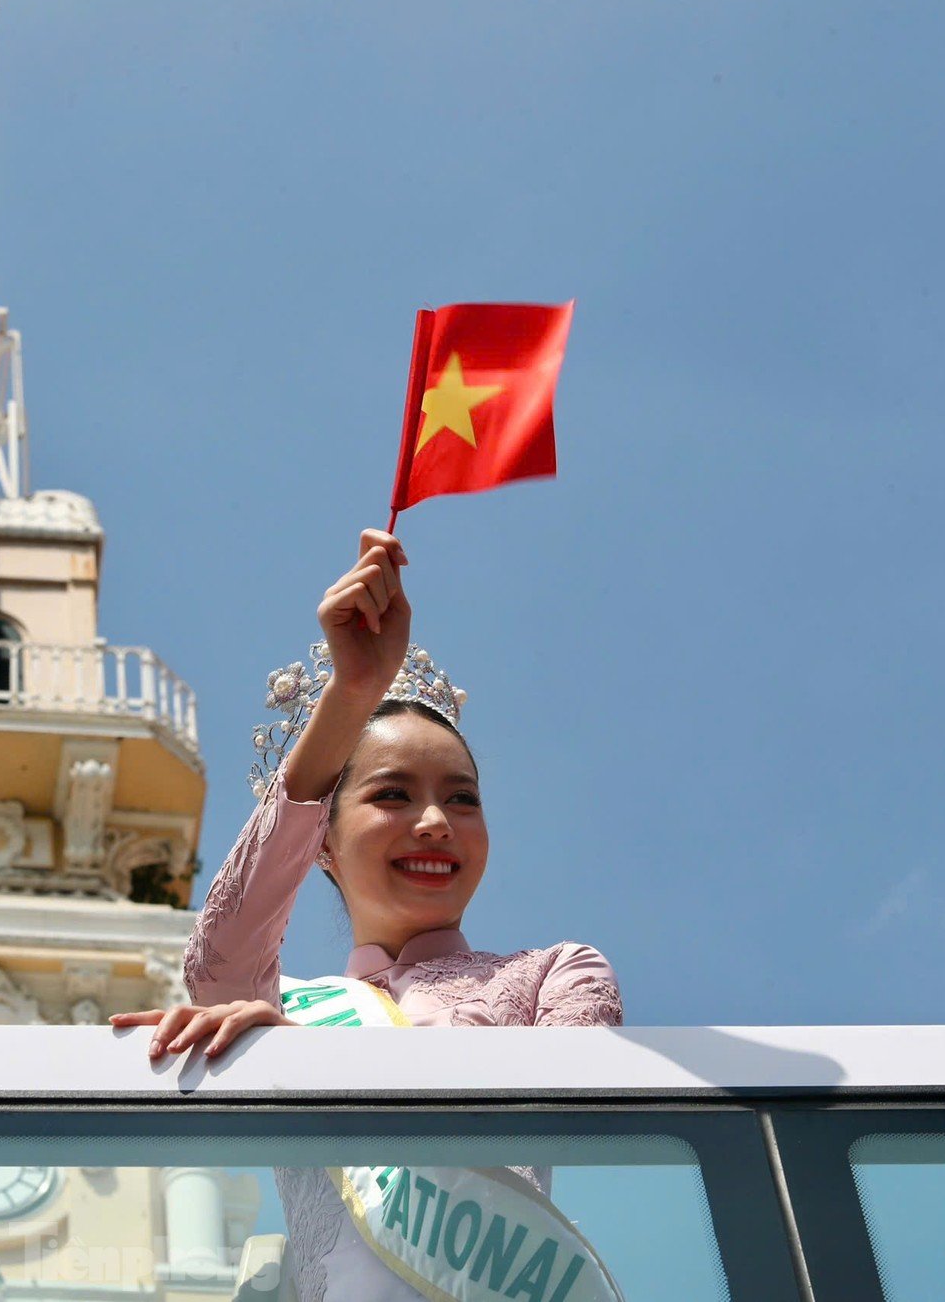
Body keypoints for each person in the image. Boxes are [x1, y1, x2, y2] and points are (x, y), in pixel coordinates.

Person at [113, 531, 624, 1302]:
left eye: (462, 799)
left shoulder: (555, 971)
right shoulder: (278, 1008)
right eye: (392, 794)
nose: (433, 823)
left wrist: (323, 1074)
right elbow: (216, 960)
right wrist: (352, 693)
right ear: (320, 839)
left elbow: (579, 1116)